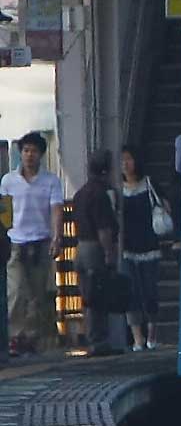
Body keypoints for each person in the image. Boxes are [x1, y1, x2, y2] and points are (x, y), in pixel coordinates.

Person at [4, 133, 64, 354]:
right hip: (15, 242)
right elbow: (4, 212)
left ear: (41, 155)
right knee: (16, 290)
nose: (29, 155)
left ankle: (32, 337)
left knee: (38, 294)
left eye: (34, 151)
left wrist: (57, 237)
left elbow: (57, 209)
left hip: (41, 241)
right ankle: (14, 336)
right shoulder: (8, 181)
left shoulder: (51, 181)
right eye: (26, 150)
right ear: (20, 153)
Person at [114, 145, 166, 352]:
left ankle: (152, 335)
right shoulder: (118, 189)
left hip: (150, 246)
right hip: (127, 248)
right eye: (122, 160)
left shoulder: (149, 183)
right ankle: (137, 338)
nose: (125, 164)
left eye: (129, 159)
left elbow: (164, 204)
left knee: (150, 292)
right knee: (131, 293)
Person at [73, 150, 120, 356]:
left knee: (87, 294)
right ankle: (98, 341)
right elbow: (104, 229)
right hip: (94, 248)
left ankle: (92, 338)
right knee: (98, 294)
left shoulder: (80, 193)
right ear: (107, 169)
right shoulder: (100, 195)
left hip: (80, 247)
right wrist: (109, 253)